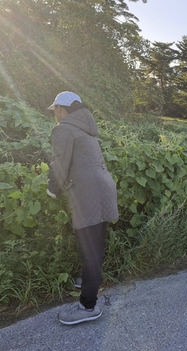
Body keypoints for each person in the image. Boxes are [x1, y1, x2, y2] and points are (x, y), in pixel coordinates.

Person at [46, 91, 119, 324]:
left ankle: (88, 306)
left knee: (90, 248)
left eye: (55, 110)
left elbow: (60, 162)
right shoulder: (86, 129)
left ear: (60, 109)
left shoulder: (63, 129)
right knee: (96, 242)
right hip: (103, 189)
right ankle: (89, 278)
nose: (54, 114)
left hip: (87, 194)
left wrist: (52, 189)